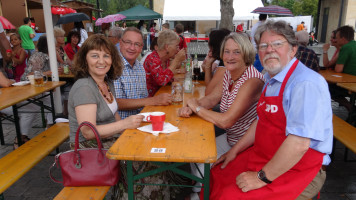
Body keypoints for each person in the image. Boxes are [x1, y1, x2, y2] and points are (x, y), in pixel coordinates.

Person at [209, 20, 333, 200]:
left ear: (293, 49)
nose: (269, 50)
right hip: (265, 154)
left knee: (230, 195)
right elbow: (262, 120)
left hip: (298, 167)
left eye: (277, 44)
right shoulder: (270, 78)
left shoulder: (305, 83)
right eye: (264, 45)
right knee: (218, 173)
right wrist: (234, 151)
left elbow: (299, 144)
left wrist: (261, 177)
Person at [179, 32, 264, 195]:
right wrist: (192, 106)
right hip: (231, 138)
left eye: (236, 52)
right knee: (192, 151)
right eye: (227, 51)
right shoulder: (229, 74)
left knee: (205, 166)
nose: (230, 56)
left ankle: (199, 192)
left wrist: (196, 108)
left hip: (245, 147)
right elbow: (211, 99)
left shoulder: (252, 80)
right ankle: (196, 191)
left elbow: (227, 121)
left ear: (246, 53)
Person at [68, 34, 143, 150]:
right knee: (149, 160)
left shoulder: (107, 82)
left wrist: (130, 132)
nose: (101, 61)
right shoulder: (84, 87)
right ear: (85, 60)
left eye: (106, 56)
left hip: (109, 140)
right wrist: (125, 124)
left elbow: (115, 115)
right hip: (90, 150)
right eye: (95, 56)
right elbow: (88, 132)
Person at [113, 27, 172, 120]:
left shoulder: (139, 67)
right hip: (122, 126)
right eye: (128, 42)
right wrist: (153, 100)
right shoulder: (112, 66)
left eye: (137, 44)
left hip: (141, 119)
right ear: (120, 43)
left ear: (141, 48)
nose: (132, 48)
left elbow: (143, 98)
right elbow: (115, 103)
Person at [143, 30, 186, 97]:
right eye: (176, 46)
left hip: (160, 95)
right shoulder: (152, 59)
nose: (178, 49)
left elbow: (165, 76)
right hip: (150, 101)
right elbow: (161, 81)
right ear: (167, 47)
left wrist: (172, 80)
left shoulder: (166, 59)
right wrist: (176, 60)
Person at [202, 29, 231, 95]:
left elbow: (209, 92)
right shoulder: (221, 59)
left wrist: (208, 65)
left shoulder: (225, 64)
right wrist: (208, 63)